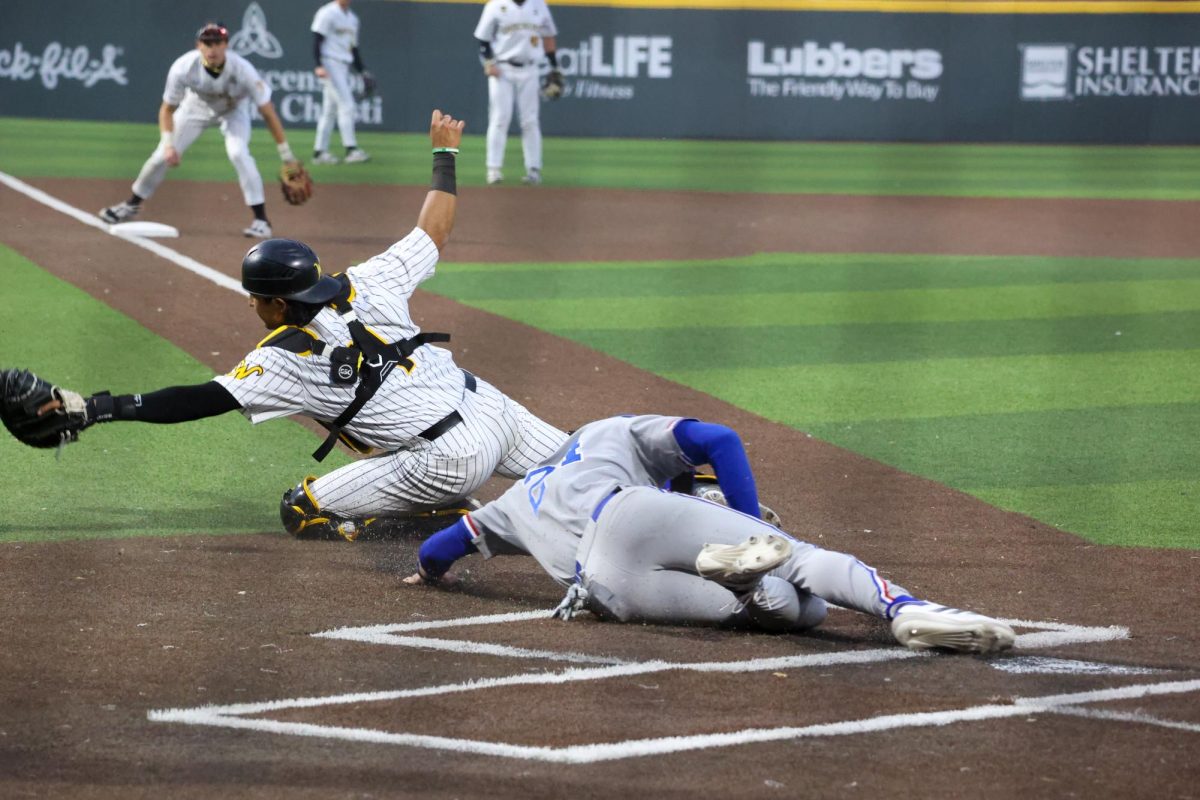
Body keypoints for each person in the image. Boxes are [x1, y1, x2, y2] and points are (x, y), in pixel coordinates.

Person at [63, 111, 568, 540]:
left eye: (257, 299)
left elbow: (196, 400)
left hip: (449, 459)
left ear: (279, 305)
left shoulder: (282, 358)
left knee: (301, 511)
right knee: (592, 465)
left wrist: (99, 409)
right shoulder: (369, 280)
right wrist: (445, 154)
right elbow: (433, 230)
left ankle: (447, 516)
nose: (253, 307)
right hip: (496, 409)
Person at [404, 414, 1017, 655]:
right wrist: (750, 520)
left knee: (797, 616)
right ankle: (902, 607)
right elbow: (720, 440)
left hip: (608, 589)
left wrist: (430, 575)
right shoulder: (602, 434)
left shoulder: (513, 500)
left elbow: (440, 548)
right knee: (801, 564)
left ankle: (746, 582)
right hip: (630, 512)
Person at [98, 23, 301, 239]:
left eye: (218, 43)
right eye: (207, 43)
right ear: (198, 45)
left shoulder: (243, 70)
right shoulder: (183, 67)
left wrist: (287, 156)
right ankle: (132, 205)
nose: (212, 48)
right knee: (160, 157)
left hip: (233, 112)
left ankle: (261, 220)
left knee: (239, 153)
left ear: (227, 45)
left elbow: (268, 113)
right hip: (194, 109)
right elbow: (167, 109)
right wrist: (168, 144)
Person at [473, 0, 560, 186]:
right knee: (499, 118)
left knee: (530, 120)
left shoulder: (539, 4)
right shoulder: (496, 5)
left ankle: (534, 170)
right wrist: (488, 63)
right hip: (502, 68)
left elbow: (549, 35)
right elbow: (483, 38)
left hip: (530, 69)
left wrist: (554, 67)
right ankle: (493, 169)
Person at [310, 0, 372, 165]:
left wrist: (363, 71)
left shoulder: (352, 18)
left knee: (329, 111)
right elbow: (317, 39)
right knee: (347, 105)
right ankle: (351, 150)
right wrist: (318, 65)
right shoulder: (327, 12)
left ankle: (319, 152)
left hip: (343, 65)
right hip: (329, 63)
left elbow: (354, 49)